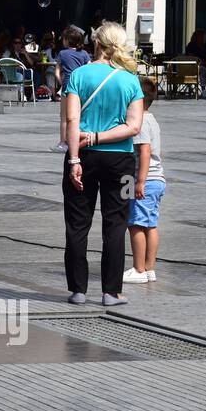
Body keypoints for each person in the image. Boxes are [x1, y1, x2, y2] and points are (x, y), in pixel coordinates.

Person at [62, 22, 145, 307]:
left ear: (96, 44)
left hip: (82, 154)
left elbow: (71, 120)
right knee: (116, 223)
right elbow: (134, 127)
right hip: (121, 160)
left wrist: (74, 157)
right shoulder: (131, 80)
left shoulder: (79, 75)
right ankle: (111, 291)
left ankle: (78, 289)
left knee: (77, 224)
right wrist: (102, 135)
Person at [124, 76, 165, 285]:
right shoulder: (152, 119)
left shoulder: (140, 122)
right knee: (150, 224)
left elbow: (145, 152)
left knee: (136, 224)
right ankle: (150, 268)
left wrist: (139, 181)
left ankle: (138, 268)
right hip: (157, 179)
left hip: (145, 179)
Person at [51, 26, 92, 152]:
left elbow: (57, 73)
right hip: (82, 87)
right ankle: (79, 140)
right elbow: (89, 69)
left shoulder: (62, 54)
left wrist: (60, 83)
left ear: (67, 40)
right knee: (79, 115)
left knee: (64, 117)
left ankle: (63, 142)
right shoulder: (84, 54)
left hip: (68, 86)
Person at [185, 29, 206, 99]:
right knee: (203, 69)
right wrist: (203, 63)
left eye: (204, 37)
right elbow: (191, 58)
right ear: (197, 37)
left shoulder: (204, 46)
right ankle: (203, 89)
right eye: (202, 37)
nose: (204, 38)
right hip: (195, 66)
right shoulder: (191, 46)